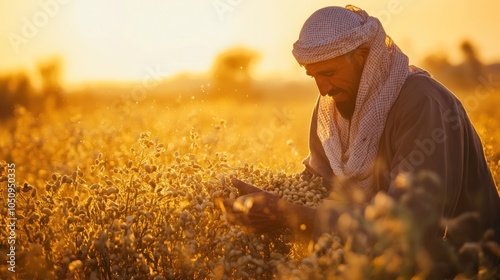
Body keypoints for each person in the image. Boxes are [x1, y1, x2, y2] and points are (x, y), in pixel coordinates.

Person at [223, 4, 500, 265]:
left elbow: (411, 225)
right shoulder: (330, 108)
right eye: (313, 76)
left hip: (466, 265)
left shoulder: (421, 104)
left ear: (364, 57)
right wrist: (263, 198)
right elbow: (319, 183)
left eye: (329, 72)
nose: (322, 89)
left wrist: (288, 214)